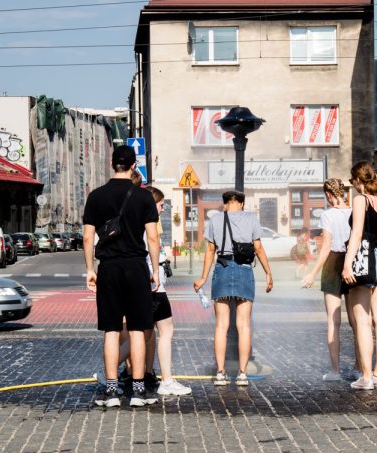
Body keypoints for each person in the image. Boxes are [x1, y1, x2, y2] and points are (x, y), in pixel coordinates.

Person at [83, 145, 160, 408]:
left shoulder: (96, 196)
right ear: (133, 166)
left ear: (112, 165)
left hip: (109, 267)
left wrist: (90, 269)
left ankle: (112, 391)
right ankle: (138, 391)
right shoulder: (143, 198)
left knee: (111, 330)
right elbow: (152, 236)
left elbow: (87, 237)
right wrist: (156, 270)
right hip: (137, 266)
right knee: (138, 329)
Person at [193, 191, 273, 387]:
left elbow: (210, 250)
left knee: (221, 325)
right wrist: (268, 273)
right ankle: (243, 374)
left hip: (222, 269)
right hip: (245, 271)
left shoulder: (216, 220)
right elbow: (259, 247)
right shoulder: (251, 219)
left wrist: (203, 277)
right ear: (242, 204)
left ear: (225, 204)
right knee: (244, 325)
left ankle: (220, 373)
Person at [342, 161, 377, 390]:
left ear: (358, 180)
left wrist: (347, 265)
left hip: (363, 260)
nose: (352, 184)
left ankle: (366, 377)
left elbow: (356, 235)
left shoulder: (360, 200)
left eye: (352, 180)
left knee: (362, 322)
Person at [301, 179, 360, 381]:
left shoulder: (327, 215)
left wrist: (312, 273)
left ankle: (335, 371)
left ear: (328, 194)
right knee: (357, 321)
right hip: (353, 262)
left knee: (333, 322)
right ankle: (359, 367)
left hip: (334, 263)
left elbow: (326, 247)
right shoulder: (355, 211)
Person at [145, 186, 192, 396]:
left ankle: (112, 373)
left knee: (142, 332)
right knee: (166, 330)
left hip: (143, 284)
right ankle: (167, 380)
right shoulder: (149, 226)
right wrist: (156, 270)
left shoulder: (135, 222)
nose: (163, 209)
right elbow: (151, 247)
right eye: (161, 204)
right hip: (155, 286)